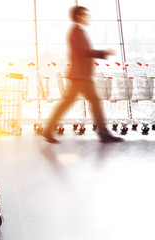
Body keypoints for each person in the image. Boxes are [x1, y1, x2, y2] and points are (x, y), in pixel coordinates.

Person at [41, 6, 123, 144]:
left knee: (68, 102)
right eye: (86, 15)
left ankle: (48, 130)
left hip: (80, 75)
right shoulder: (76, 31)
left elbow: (83, 52)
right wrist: (104, 52)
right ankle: (103, 134)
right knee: (92, 102)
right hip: (80, 76)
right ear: (79, 16)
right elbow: (84, 51)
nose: (88, 17)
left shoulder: (77, 31)